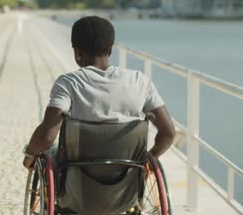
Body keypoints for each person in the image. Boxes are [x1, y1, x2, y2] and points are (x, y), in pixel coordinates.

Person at [22, 16, 175, 208]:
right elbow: (168, 133)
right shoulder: (140, 81)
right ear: (110, 50)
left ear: (77, 52)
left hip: (78, 193)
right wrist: (149, 158)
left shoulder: (69, 83)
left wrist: (30, 156)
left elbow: (46, 137)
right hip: (126, 192)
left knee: (51, 154)